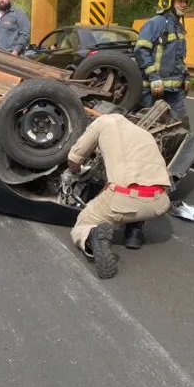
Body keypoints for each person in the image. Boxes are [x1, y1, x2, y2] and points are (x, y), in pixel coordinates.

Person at [62, 113, 171, 279]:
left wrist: (73, 171)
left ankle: (92, 236)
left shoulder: (103, 122)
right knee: (137, 185)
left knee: (84, 222)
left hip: (123, 200)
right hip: (160, 202)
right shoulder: (145, 134)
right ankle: (134, 232)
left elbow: (74, 157)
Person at [134, 0, 194, 169]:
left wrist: (186, 76)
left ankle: (187, 158)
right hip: (153, 90)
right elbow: (140, 50)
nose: (184, 4)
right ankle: (142, 163)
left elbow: (178, 57)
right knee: (147, 127)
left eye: (186, 1)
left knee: (181, 123)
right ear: (168, 1)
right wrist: (153, 77)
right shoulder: (155, 23)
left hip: (174, 89)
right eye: (180, 0)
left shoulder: (178, 26)